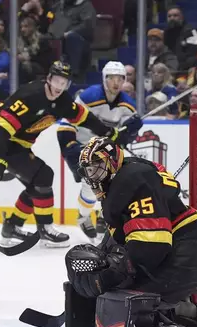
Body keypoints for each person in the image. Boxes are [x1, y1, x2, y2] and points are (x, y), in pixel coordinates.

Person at [66, 137, 197, 327]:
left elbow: (152, 247)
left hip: (190, 253)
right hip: (178, 248)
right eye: (89, 171)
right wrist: (104, 262)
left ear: (112, 162)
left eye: (97, 168)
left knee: (132, 299)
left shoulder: (133, 179)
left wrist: (111, 274)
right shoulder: (124, 179)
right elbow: (122, 236)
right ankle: (179, 304)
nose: (93, 177)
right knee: (117, 287)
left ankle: (186, 311)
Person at [0, 61, 142, 248]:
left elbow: (83, 117)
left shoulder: (63, 101)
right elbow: (0, 128)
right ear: (48, 79)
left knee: (36, 185)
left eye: (64, 83)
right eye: (56, 81)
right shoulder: (31, 95)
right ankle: (46, 228)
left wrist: (107, 132)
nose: (59, 87)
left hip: (16, 143)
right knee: (43, 175)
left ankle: (12, 226)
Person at [57, 61, 138, 241]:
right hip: (82, 145)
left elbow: (125, 137)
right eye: (111, 78)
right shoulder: (89, 96)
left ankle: (103, 216)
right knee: (90, 184)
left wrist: (131, 131)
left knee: (115, 182)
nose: (116, 83)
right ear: (104, 79)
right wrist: (70, 147)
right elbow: (68, 122)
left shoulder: (128, 105)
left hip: (105, 148)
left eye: (120, 79)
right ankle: (84, 216)